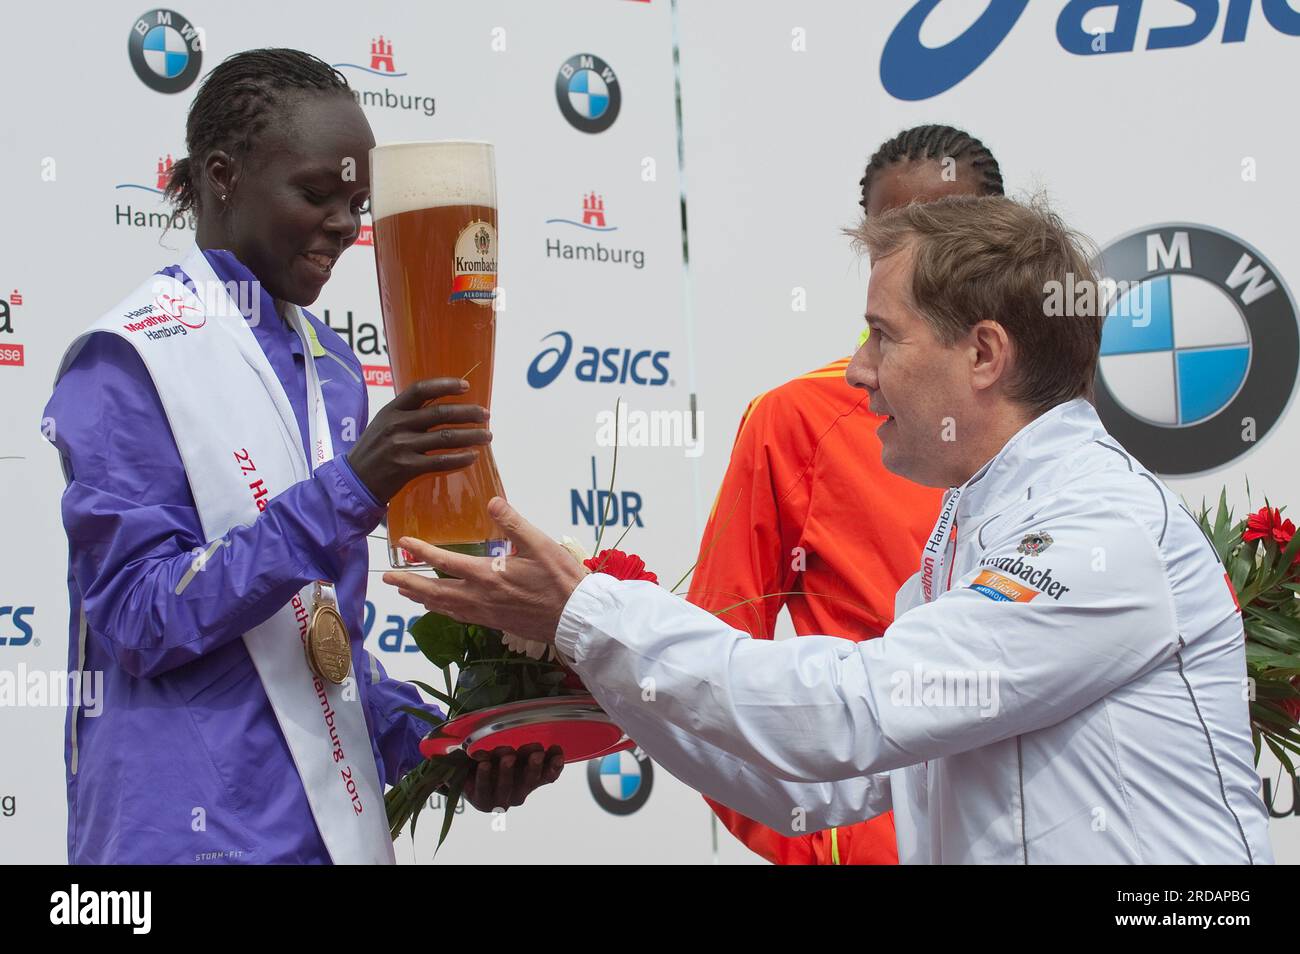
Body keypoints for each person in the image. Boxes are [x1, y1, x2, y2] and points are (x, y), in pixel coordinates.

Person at [386, 194, 1274, 864]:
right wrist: (587, 665)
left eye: (883, 338)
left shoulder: (1094, 530)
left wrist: (588, 613)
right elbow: (818, 781)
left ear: (985, 355)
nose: (855, 372)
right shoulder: (980, 521)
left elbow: (850, 713)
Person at [43, 48, 560, 865]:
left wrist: (447, 746)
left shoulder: (335, 367)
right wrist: (352, 487)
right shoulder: (130, 357)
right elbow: (141, 619)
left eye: (357, 201)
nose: (348, 225)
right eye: (317, 194)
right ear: (223, 176)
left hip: (326, 838)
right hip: (180, 837)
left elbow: (321, 642)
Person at [689, 125, 1001, 865]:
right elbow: (709, 665)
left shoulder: (1055, 422)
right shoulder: (797, 420)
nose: (923, 258)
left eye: (951, 230)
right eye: (893, 237)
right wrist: (836, 846)